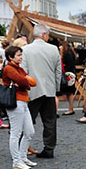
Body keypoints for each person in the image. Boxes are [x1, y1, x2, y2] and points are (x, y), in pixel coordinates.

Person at [21, 24, 62, 158]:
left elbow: (23, 71)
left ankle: (23, 147)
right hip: (49, 90)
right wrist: (56, 88)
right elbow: (58, 71)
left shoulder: (26, 50)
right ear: (44, 35)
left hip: (32, 90)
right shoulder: (54, 49)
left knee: (27, 120)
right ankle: (49, 148)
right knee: (50, 121)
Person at [2, 45, 39, 169]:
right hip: (15, 102)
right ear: (10, 57)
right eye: (18, 55)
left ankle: (22, 157)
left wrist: (25, 82)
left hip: (23, 101)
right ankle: (16, 161)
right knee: (16, 133)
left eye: (20, 54)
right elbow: (25, 82)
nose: (21, 57)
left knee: (29, 132)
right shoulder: (9, 68)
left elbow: (31, 82)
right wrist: (25, 82)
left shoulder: (18, 68)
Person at [58, 41, 77, 115]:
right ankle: (70, 108)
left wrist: (65, 71)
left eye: (60, 45)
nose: (59, 47)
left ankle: (71, 109)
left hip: (68, 75)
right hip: (70, 75)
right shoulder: (70, 53)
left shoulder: (67, 54)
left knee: (69, 93)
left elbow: (70, 65)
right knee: (69, 93)